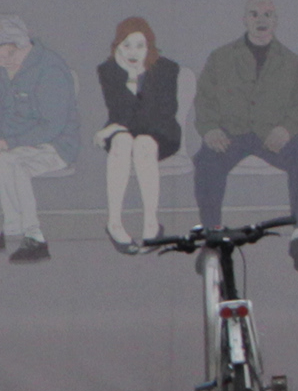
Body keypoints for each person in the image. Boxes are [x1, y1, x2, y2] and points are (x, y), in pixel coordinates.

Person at [191, 0, 298, 268]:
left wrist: (286, 129)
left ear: (276, 20)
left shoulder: (294, 64)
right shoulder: (220, 58)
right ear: (245, 19)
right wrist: (210, 129)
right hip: (230, 134)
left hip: (272, 135)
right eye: (254, 14)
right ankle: (212, 238)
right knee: (205, 161)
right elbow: (203, 100)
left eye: (267, 15)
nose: (261, 20)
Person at [0, 14, 82, 264]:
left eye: (6, 52)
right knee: (5, 160)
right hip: (17, 142)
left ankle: (34, 237)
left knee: (13, 162)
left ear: (19, 46)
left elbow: (52, 126)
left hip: (56, 145)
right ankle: (12, 228)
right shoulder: (4, 70)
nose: (2, 59)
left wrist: (10, 142)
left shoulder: (50, 69)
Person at [94, 18, 180, 254]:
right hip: (123, 131)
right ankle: (114, 223)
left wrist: (111, 128)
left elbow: (161, 113)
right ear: (117, 47)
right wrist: (128, 76)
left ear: (149, 46)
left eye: (139, 46)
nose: (133, 52)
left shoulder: (167, 69)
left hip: (160, 131)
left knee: (143, 143)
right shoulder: (108, 70)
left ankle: (151, 223)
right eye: (126, 45)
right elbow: (119, 112)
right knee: (122, 141)